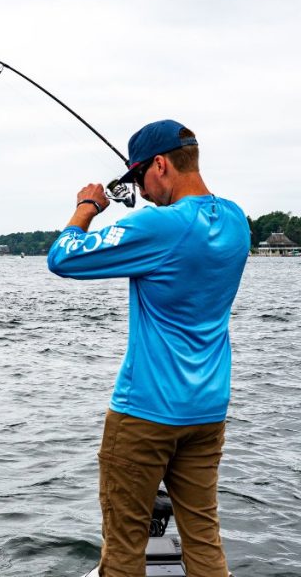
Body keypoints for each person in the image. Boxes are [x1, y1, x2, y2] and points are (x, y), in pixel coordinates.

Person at [47, 120, 250, 577]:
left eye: (139, 178)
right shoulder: (237, 221)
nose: (139, 189)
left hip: (145, 413)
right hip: (207, 410)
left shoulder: (160, 225)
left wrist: (87, 206)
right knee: (203, 538)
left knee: (122, 551)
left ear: (160, 165)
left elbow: (62, 256)